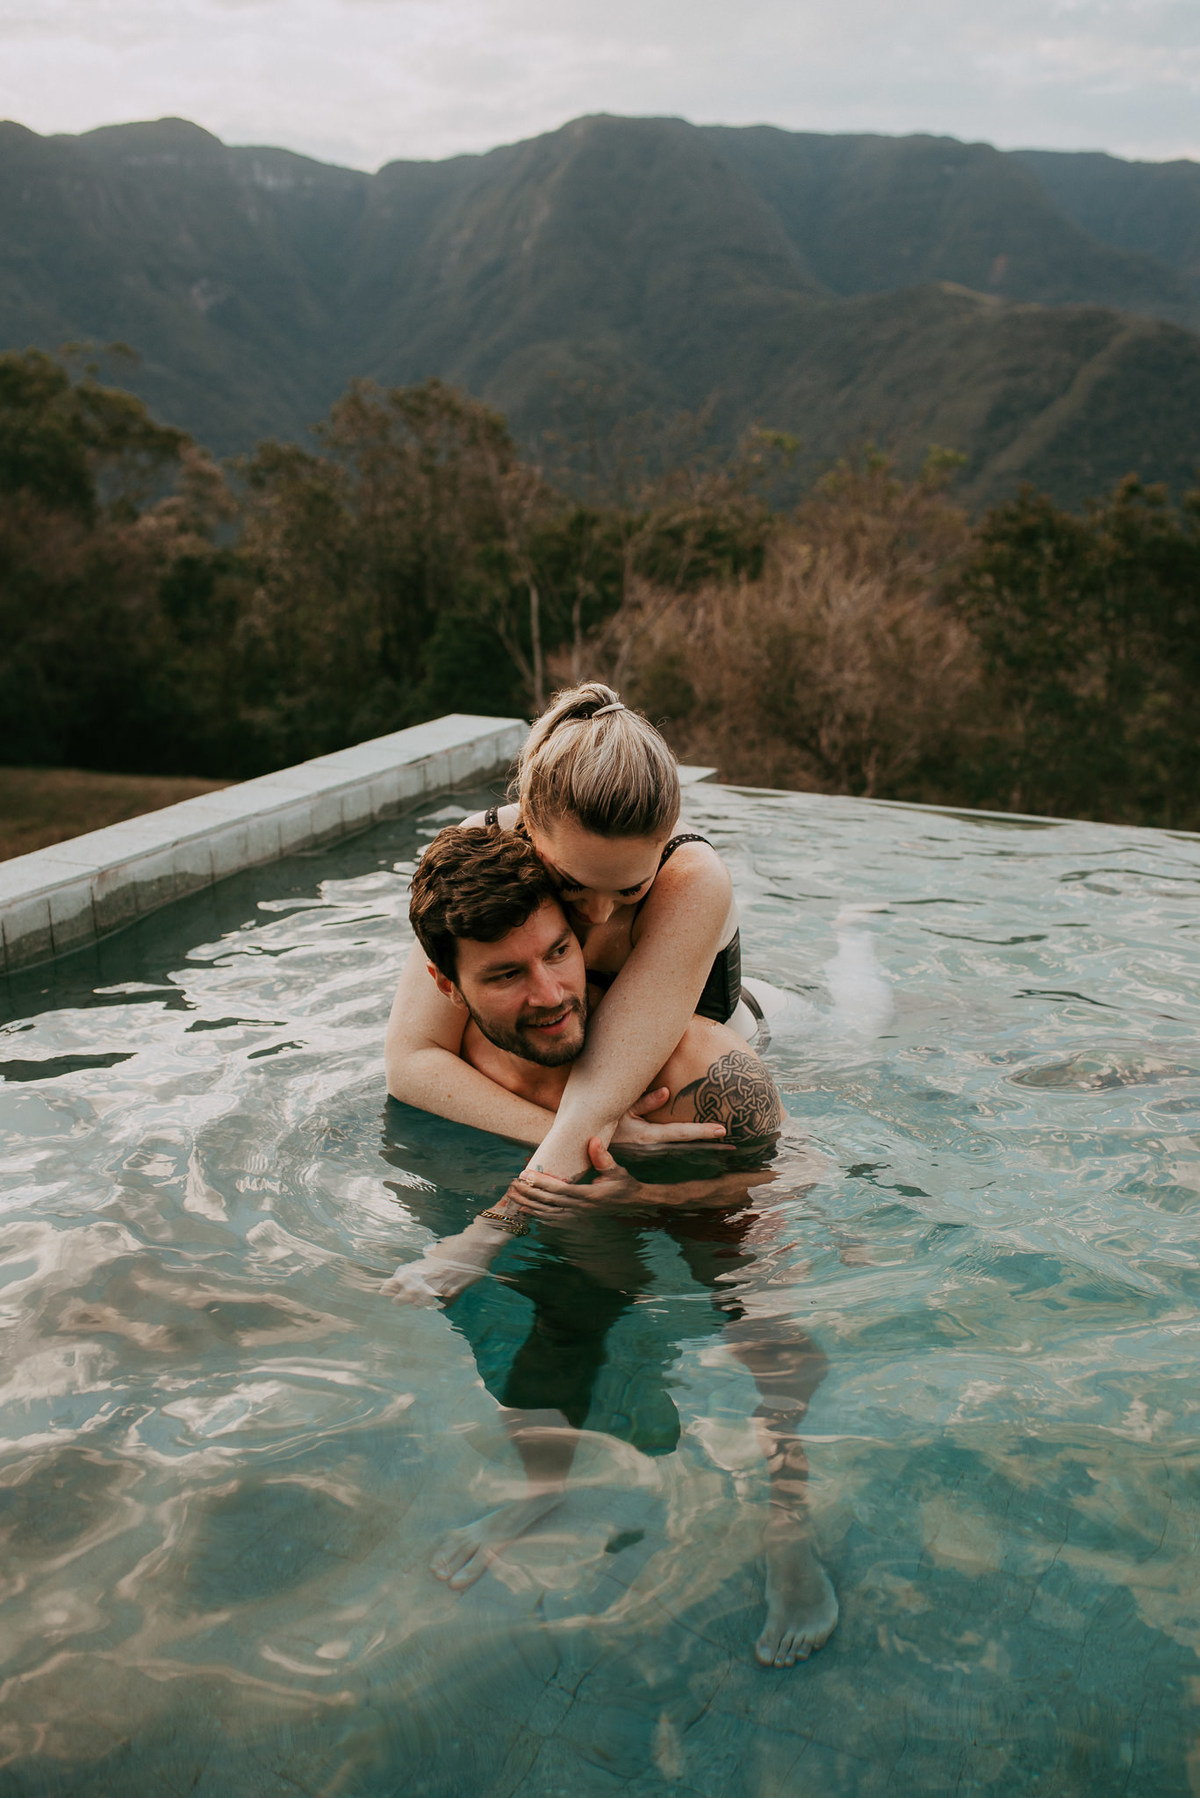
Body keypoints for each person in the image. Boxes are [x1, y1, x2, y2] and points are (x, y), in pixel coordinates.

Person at [385, 826, 838, 1668]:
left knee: (768, 1331)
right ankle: (544, 1490)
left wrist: (657, 1189)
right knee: (547, 1321)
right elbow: (406, 1067)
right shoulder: (470, 1054)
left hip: (708, 1180)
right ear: (450, 985)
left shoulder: (702, 1064)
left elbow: (793, 1178)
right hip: (581, 1207)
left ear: (581, 932)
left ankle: (789, 1524)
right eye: (507, 975)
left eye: (559, 952)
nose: (551, 991)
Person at [385, 683, 760, 1201]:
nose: (600, 913)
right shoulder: (485, 843)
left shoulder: (693, 879)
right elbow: (411, 1062)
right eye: (570, 884)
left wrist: (486, 1237)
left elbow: (594, 1101)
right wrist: (600, 1136)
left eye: (631, 890)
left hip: (726, 1039)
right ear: (530, 825)